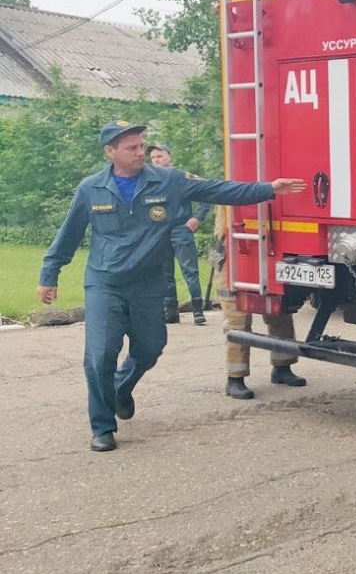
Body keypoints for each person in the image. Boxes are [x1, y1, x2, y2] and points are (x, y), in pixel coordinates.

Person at [37, 120, 307, 453]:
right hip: (105, 282)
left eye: (141, 145)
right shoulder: (91, 188)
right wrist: (49, 274)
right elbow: (69, 234)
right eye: (132, 148)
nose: (140, 152)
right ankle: (103, 426)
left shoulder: (168, 180)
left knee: (150, 347)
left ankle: (121, 389)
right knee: (100, 354)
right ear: (110, 152)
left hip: (148, 282)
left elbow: (217, 189)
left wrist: (267, 189)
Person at [212, 205, 305, 400]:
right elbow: (224, 230)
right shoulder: (228, 194)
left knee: (278, 312)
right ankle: (235, 379)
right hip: (233, 258)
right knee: (237, 322)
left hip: (264, 252)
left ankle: (282, 367)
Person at [147, 143, 211, 325]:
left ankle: (198, 310)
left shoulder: (182, 177)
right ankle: (171, 312)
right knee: (165, 273)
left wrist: (197, 218)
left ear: (169, 157)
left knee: (189, 270)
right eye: (153, 158)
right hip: (159, 231)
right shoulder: (149, 179)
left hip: (180, 229)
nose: (156, 160)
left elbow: (207, 192)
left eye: (159, 156)